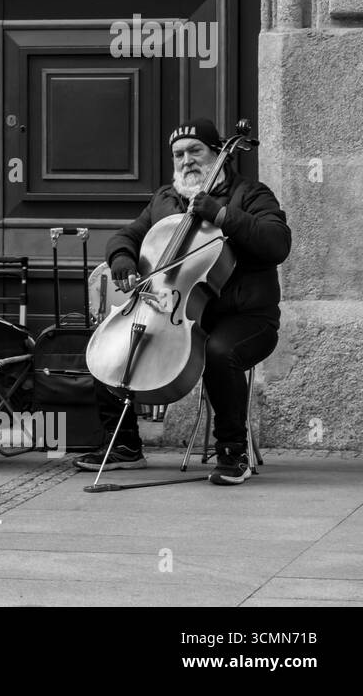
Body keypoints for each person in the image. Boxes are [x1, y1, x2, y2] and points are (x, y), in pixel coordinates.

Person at [75, 119, 291, 485]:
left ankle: (231, 453)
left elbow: (276, 243)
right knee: (112, 345)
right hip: (180, 312)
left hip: (246, 317)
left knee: (221, 352)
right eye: (179, 154)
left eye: (195, 151)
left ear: (217, 154)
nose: (186, 160)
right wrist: (123, 260)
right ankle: (124, 447)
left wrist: (222, 215)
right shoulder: (165, 200)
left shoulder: (251, 195)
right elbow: (126, 236)